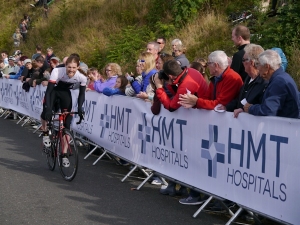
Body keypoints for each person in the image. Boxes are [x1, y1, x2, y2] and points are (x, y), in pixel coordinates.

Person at [153, 59, 208, 195]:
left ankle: (190, 191)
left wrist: (160, 87)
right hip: (193, 118)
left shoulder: (186, 84)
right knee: (179, 151)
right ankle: (179, 186)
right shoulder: (190, 71)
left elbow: (171, 106)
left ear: (171, 76)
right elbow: (176, 94)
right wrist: (170, 84)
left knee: (189, 154)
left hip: (199, 120)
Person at [41, 55, 87, 167]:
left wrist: (80, 108)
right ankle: (45, 132)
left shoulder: (81, 77)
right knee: (46, 112)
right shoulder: (57, 71)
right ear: (65, 66)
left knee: (66, 124)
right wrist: (48, 108)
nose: (71, 70)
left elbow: (82, 94)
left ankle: (64, 154)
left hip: (65, 94)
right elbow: (49, 91)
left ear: (78, 67)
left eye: (74, 67)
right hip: (54, 92)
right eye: (69, 67)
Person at [244, 49, 300, 118]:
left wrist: (250, 108)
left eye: (258, 65)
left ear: (267, 67)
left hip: (284, 126)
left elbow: (268, 110)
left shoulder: (279, 82)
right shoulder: (282, 78)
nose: (258, 68)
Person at [178, 50, 243, 110]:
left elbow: (219, 104)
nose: (207, 66)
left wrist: (196, 101)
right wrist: (193, 103)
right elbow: (207, 97)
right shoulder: (216, 78)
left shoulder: (232, 78)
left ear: (216, 65)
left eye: (208, 64)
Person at [222, 44, 268, 118]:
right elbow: (241, 99)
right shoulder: (248, 78)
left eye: (243, 60)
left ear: (252, 62)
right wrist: (226, 107)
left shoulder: (264, 82)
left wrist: (245, 110)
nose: (242, 63)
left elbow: (263, 106)